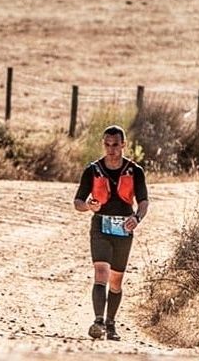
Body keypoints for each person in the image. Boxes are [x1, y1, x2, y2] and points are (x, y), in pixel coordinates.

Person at [73, 125, 149, 341]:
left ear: (123, 144)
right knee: (101, 273)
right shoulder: (92, 170)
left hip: (124, 229)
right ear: (103, 144)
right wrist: (88, 206)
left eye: (115, 144)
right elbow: (77, 201)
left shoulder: (135, 171)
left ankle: (111, 323)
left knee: (116, 281)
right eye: (107, 144)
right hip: (100, 227)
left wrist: (136, 218)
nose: (111, 149)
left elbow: (143, 201)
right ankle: (98, 321)